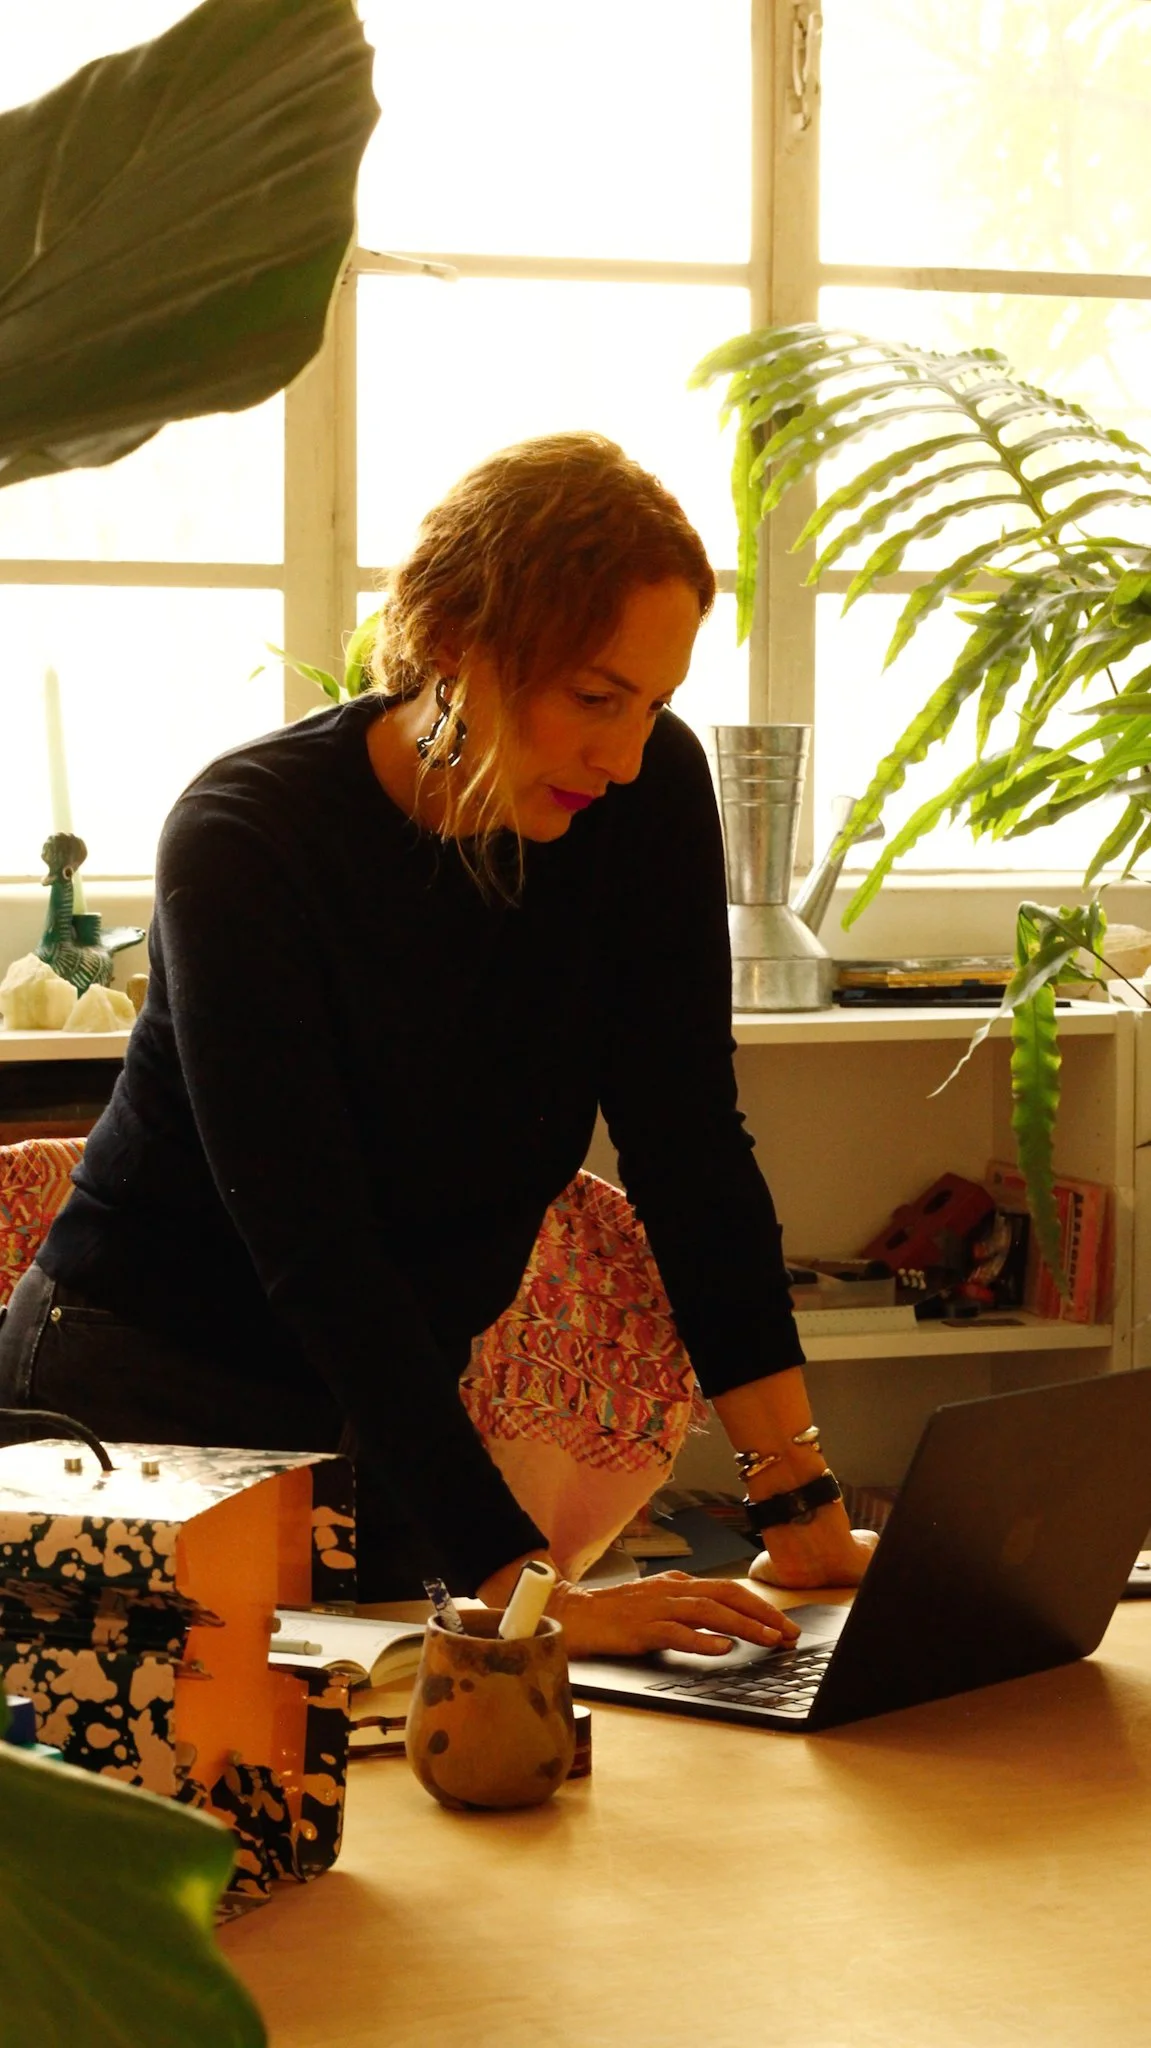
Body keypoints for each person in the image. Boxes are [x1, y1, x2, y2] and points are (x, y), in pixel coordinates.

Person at [0, 432, 874, 1658]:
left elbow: (690, 1152)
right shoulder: (246, 837)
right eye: (592, 696)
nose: (623, 756)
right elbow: (318, 1252)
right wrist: (530, 1590)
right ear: (456, 645)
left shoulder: (640, 797)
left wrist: (800, 1510)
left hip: (388, 1402)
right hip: (137, 1398)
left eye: (653, 704)